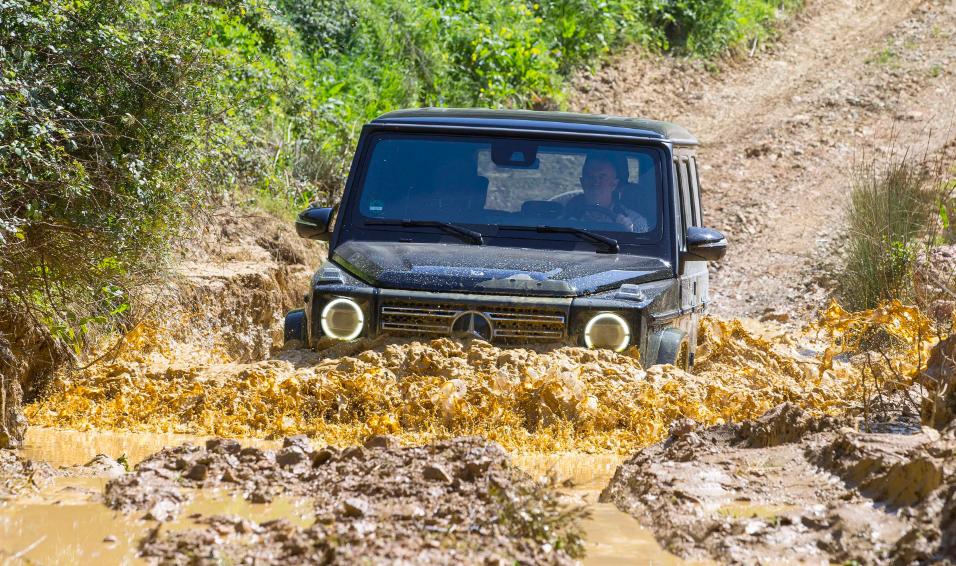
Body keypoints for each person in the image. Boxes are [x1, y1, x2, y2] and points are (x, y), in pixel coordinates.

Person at [564, 154, 649, 232]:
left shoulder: (636, 221)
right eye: (590, 177)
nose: (595, 182)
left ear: (614, 184)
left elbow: (645, 245)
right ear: (582, 182)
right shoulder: (565, 214)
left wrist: (628, 232)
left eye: (601, 177)